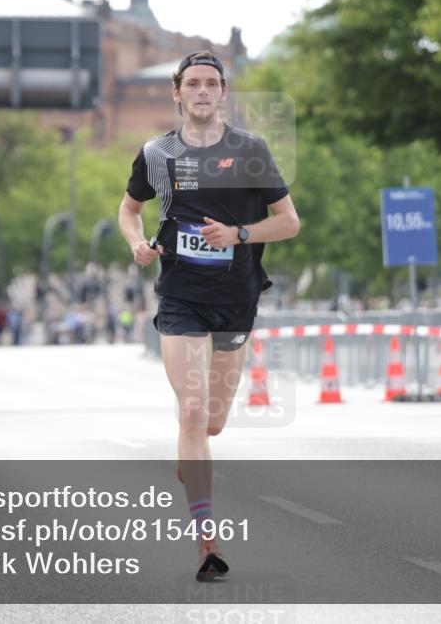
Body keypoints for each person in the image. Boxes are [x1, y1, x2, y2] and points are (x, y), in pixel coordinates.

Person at [117, 50, 300, 581]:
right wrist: (136, 244)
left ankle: (190, 455)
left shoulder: (250, 151)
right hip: (180, 296)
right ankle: (206, 542)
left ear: (223, 94)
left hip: (236, 297)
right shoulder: (156, 153)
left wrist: (240, 234)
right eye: (191, 83)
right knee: (192, 410)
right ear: (176, 93)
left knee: (213, 422)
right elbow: (130, 210)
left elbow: (289, 223)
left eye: (210, 83)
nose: (201, 91)